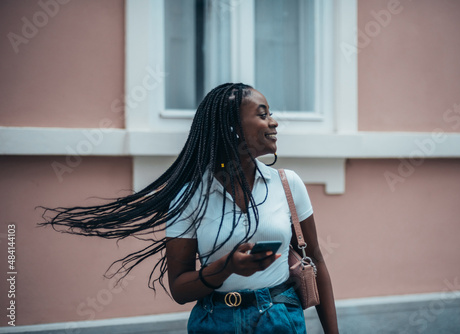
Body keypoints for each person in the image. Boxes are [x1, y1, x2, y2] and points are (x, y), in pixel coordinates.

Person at [40, 83, 339, 333]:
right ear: (232, 128)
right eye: (263, 115)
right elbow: (180, 289)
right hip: (215, 321)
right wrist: (228, 267)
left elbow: (317, 262)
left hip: (280, 321)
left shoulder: (288, 185)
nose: (273, 122)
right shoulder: (191, 196)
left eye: (270, 114)